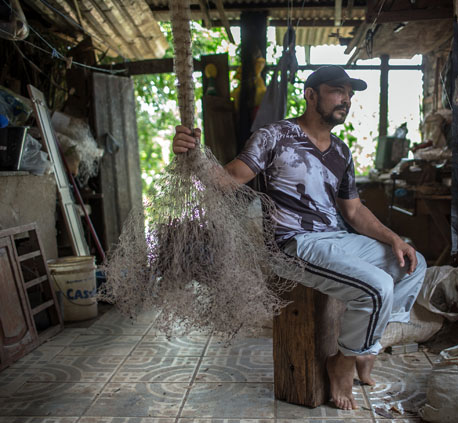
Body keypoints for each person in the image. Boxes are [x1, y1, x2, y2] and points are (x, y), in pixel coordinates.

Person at [173, 65, 427, 411]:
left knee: (414, 263)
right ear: (310, 94)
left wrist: (394, 238)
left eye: (350, 94)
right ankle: (344, 361)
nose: (346, 100)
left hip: (335, 237)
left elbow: (353, 211)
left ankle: (369, 346)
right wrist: (194, 156)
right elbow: (227, 179)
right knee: (377, 285)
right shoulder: (274, 136)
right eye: (338, 91)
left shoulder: (340, 151)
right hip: (293, 244)